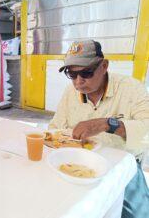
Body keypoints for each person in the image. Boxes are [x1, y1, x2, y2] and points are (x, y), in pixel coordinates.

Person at [49, 40, 149, 218]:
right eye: (71, 74)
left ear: (104, 66)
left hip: (123, 166)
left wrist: (107, 124)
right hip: (79, 164)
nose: (78, 82)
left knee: (138, 214)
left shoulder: (130, 89)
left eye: (86, 72)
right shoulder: (70, 92)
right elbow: (55, 128)